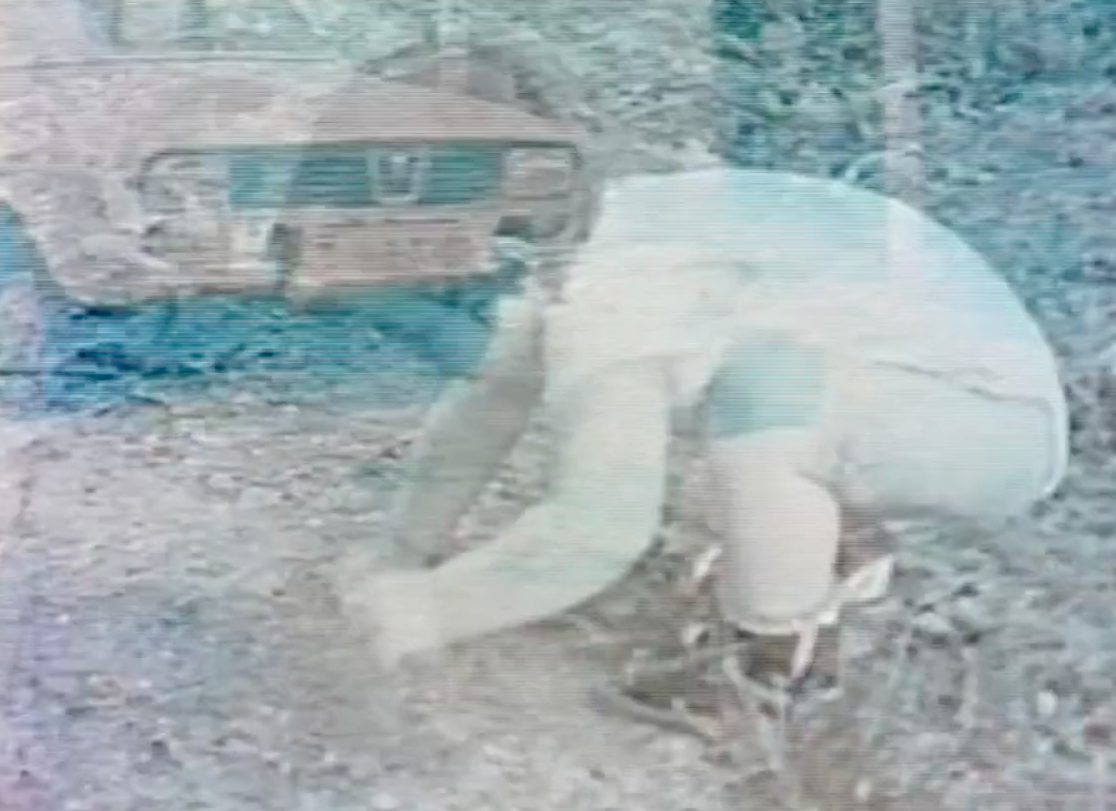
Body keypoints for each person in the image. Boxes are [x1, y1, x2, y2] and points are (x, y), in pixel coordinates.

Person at [337, 167, 1068, 725]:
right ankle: (830, 550)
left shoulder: (608, 290)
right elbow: (489, 403)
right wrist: (400, 548)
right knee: (734, 400)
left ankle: (771, 662)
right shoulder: (606, 227)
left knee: (759, 392)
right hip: (950, 400)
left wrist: (420, 613)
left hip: (988, 427)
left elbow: (596, 533)